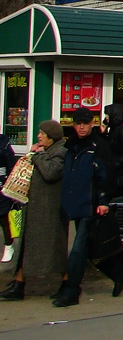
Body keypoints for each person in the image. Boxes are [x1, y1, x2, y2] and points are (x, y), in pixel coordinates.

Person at [54, 107, 123, 307]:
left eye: (85, 123)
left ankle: (71, 291)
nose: (81, 127)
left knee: (78, 249)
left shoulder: (98, 146)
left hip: (91, 205)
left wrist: (103, 202)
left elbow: (106, 176)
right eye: (78, 123)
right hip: (75, 203)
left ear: (92, 124)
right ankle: (119, 272)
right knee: (90, 247)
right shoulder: (71, 145)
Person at [0, 121, 69, 302]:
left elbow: (51, 172)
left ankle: (67, 282)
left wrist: (38, 155)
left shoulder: (61, 151)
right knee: (27, 247)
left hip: (49, 211)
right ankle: (18, 284)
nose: (38, 136)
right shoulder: (46, 151)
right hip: (36, 208)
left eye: (42, 133)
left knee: (54, 250)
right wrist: (33, 153)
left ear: (51, 136)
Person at [100, 103, 123, 199]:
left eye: (107, 115)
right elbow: (104, 147)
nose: (106, 117)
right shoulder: (112, 131)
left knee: (115, 200)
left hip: (118, 175)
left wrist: (113, 166)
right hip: (111, 174)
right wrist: (103, 133)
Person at [0, 131, 15, 263]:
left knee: (3, 216)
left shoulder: (4, 143)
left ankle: (9, 245)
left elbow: (11, 165)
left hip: (2, 184)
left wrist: (11, 186)